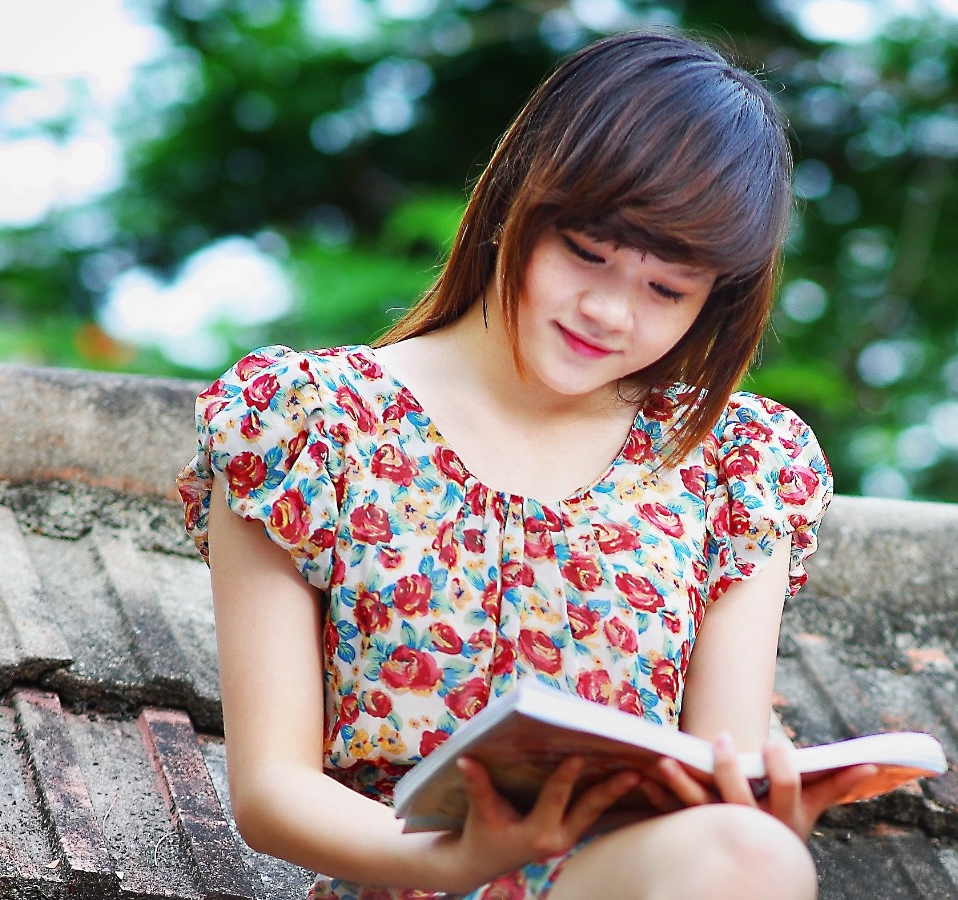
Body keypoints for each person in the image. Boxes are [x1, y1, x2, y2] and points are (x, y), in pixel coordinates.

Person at [176, 29, 877, 900]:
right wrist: (457, 859)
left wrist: (758, 821)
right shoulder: (309, 424)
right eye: (587, 253)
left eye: (668, 290)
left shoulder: (736, 463)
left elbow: (713, 778)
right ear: (518, 199)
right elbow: (272, 793)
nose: (610, 311)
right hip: (402, 877)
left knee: (746, 853)